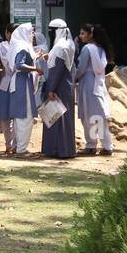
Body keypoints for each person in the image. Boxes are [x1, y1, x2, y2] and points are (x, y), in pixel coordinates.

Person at [1, 24, 41, 156]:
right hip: (22, 82)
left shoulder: (19, 46)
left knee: (19, 116)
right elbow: (20, 65)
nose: (33, 35)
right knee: (25, 115)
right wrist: (36, 69)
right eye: (31, 32)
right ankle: (22, 149)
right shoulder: (23, 47)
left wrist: (36, 57)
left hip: (18, 81)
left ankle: (19, 147)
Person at [75, 24, 115, 155]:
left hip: (87, 83)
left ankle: (92, 145)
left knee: (87, 116)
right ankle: (105, 145)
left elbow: (81, 68)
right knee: (98, 117)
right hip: (98, 83)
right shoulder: (101, 49)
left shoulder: (87, 48)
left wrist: (73, 78)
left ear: (90, 34)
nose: (80, 36)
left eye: (82, 33)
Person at [40, 22, 76, 160]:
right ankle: (63, 149)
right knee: (61, 118)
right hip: (66, 86)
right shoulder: (68, 44)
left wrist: (50, 89)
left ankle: (58, 150)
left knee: (57, 118)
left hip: (58, 87)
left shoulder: (60, 47)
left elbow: (57, 70)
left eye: (52, 31)